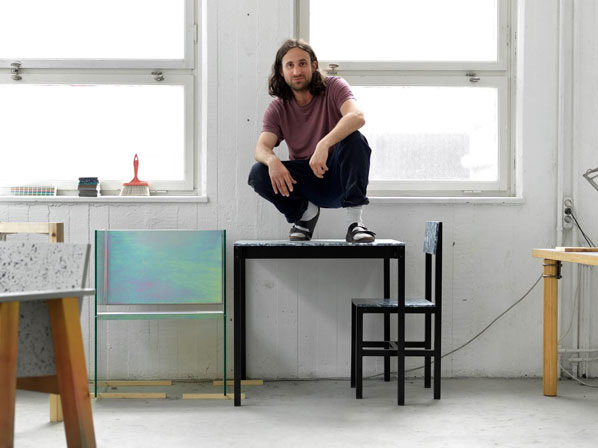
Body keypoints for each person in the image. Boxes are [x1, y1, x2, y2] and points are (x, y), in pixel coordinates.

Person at [248, 39, 376, 243]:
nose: (296, 71)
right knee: (258, 173)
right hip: (306, 182)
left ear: (313, 65)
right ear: (281, 71)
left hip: (338, 176)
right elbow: (261, 148)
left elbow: (357, 116)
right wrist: (272, 161)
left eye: (302, 63)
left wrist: (324, 144)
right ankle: (306, 215)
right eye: (290, 65)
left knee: (355, 139)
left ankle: (355, 224)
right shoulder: (277, 108)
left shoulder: (334, 86)